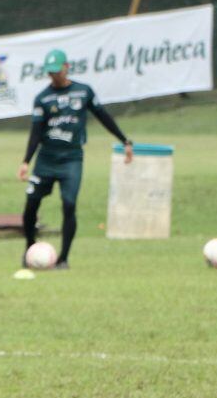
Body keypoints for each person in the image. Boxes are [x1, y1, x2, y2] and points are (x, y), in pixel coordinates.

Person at [17, 49, 133, 269]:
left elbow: (103, 116)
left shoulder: (83, 92)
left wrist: (124, 140)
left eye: (57, 71)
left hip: (72, 159)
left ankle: (63, 259)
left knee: (69, 204)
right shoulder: (42, 98)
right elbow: (35, 133)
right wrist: (26, 161)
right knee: (31, 205)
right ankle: (30, 248)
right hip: (46, 160)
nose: (53, 75)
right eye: (50, 72)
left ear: (66, 67)